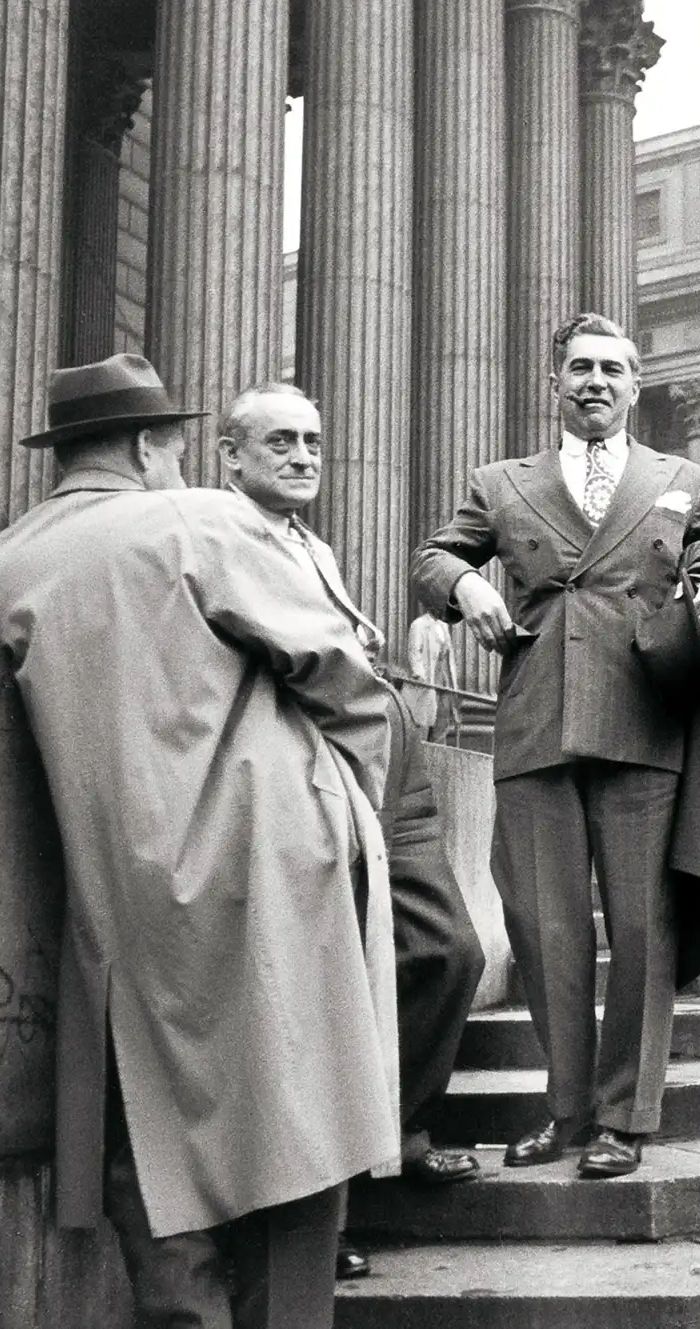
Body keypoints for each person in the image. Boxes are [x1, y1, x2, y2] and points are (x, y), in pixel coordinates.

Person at [0, 354, 398, 1325]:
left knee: (151, 1138)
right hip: (274, 852)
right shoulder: (198, 518)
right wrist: (355, 801)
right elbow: (339, 670)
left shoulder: (0, 565)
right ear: (149, 446)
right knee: (303, 1127)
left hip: (115, 884)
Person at [412, 312, 700, 1181]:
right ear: (555, 382)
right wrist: (466, 584)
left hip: (643, 723)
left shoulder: (683, 479)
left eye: (611, 369)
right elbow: (432, 558)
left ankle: (626, 1118)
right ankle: (567, 1110)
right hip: (537, 723)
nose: (595, 382)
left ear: (636, 385)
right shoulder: (499, 482)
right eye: (580, 368)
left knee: (642, 928)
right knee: (543, 927)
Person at [215, 383, 489, 1278]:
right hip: (310, 776)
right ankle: (317, 1215)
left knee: (447, 950)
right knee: (319, 993)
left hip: (386, 766)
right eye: (280, 442)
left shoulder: (314, 544)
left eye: (314, 441)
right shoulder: (220, 537)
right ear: (230, 456)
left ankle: (396, 1132)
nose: (303, 456)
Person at [404, 609, 460, 742]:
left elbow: (448, 654)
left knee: (442, 717)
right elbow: (414, 651)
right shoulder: (419, 624)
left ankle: (437, 746)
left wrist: (452, 681)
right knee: (423, 720)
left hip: (442, 678)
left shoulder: (443, 626)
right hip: (427, 678)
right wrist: (418, 673)